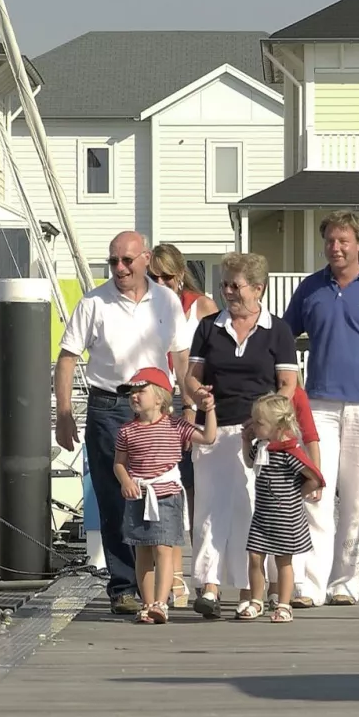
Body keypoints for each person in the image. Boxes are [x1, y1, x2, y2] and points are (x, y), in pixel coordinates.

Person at [54, 231, 188, 615]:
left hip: (157, 410)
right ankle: (123, 586)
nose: (120, 268)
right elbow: (67, 358)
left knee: (161, 493)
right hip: (109, 405)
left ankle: (158, 588)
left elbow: (179, 354)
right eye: (113, 261)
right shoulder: (94, 302)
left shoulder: (167, 300)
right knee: (115, 497)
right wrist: (64, 414)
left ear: (145, 259)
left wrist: (188, 404)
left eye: (127, 260)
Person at [181, 252, 320, 618]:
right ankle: (209, 587)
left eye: (235, 285)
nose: (228, 291)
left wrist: (266, 423)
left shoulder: (278, 331)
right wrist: (198, 394)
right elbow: (191, 377)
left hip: (257, 435)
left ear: (258, 288)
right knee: (209, 510)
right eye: (225, 284)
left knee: (249, 510)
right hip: (213, 426)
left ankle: (249, 590)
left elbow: (287, 384)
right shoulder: (209, 327)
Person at [281, 211, 359, 607]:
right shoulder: (311, 288)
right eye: (330, 241)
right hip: (318, 402)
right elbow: (285, 335)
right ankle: (310, 584)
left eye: (343, 241)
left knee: (356, 497)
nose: (335, 248)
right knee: (315, 489)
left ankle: (346, 583)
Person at [113, 367, 217, 624]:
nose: (135, 396)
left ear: (160, 397)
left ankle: (161, 601)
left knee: (164, 548)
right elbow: (119, 463)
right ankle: (147, 603)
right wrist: (125, 480)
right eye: (132, 393)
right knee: (142, 550)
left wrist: (209, 409)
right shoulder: (127, 431)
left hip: (167, 495)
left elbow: (208, 437)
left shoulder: (176, 425)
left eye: (141, 391)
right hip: (138, 494)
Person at [148, 243, 219, 607]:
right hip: (158, 401)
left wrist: (194, 404)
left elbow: (215, 358)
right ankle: (172, 580)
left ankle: (204, 574)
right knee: (166, 487)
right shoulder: (146, 305)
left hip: (192, 399)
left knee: (197, 490)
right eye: (153, 276)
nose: (159, 282)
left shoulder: (202, 307)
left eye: (166, 276)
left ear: (180, 276)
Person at [238, 393, 322, 623]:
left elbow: (314, 477)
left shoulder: (289, 452)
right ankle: (257, 600)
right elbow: (249, 461)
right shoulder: (263, 448)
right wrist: (246, 442)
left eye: (259, 423)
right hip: (263, 515)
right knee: (255, 556)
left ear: (278, 425)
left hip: (286, 516)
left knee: (283, 560)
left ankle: (284, 604)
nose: (254, 427)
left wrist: (297, 494)